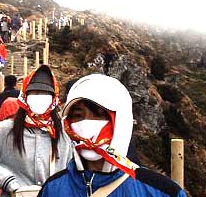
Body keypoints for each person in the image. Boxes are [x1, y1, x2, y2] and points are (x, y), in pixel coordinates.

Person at [38, 74, 187, 197]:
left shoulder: (163, 192)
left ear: (121, 122)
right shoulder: (52, 189)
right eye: (78, 115)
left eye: (99, 115)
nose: (86, 123)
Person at [0, 65, 73, 197]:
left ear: (54, 98)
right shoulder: (7, 129)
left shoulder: (64, 134)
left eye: (45, 93)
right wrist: (7, 181)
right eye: (34, 93)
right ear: (25, 96)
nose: (39, 97)